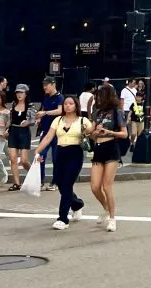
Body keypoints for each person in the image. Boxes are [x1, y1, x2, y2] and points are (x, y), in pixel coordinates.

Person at [35, 96, 93, 229]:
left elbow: (92, 134)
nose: (67, 106)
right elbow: (49, 137)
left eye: (71, 103)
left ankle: (63, 218)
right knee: (60, 184)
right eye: (65, 103)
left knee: (67, 184)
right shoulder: (58, 120)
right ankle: (77, 204)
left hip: (75, 153)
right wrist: (38, 151)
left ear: (76, 106)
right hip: (60, 153)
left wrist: (90, 130)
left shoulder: (83, 121)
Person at [89, 82, 128, 233]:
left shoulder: (116, 112)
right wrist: (94, 133)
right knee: (94, 186)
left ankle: (112, 218)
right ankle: (105, 208)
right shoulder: (97, 113)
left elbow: (124, 133)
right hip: (98, 148)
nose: (98, 99)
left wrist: (109, 132)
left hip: (111, 147)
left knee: (107, 186)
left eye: (100, 96)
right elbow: (91, 133)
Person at [35, 77, 64, 190]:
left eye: (47, 85)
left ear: (53, 84)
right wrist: (39, 118)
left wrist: (45, 113)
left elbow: (60, 110)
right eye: (44, 85)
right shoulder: (45, 97)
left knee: (56, 158)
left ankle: (55, 182)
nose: (45, 87)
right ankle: (40, 181)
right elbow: (42, 109)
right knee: (41, 155)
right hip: (46, 131)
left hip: (57, 132)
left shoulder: (59, 97)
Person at [6, 84, 35, 190]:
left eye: (21, 93)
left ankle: (34, 175)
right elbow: (10, 119)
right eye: (17, 92)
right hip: (13, 131)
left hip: (24, 132)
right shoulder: (13, 105)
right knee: (13, 159)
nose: (19, 95)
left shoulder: (30, 106)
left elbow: (33, 120)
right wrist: (6, 130)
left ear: (26, 94)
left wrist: (28, 122)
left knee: (23, 160)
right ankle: (17, 183)